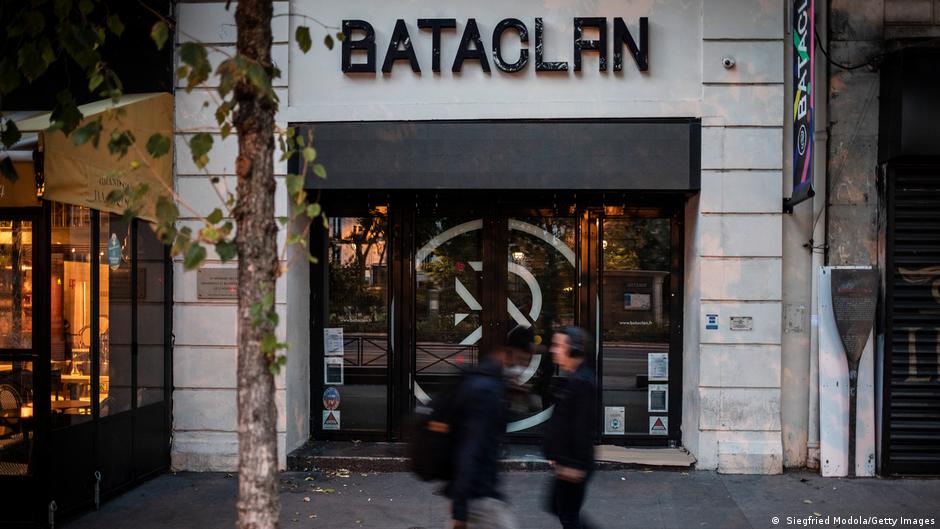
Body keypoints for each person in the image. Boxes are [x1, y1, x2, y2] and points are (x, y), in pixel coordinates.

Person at [445, 325, 533, 529]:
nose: (523, 368)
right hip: (479, 498)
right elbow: (470, 449)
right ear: (509, 353)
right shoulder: (487, 390)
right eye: (522, 361)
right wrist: (460, 508)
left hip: (477, 492)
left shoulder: (490, 381)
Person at [544, 327, 598, 529]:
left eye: (558, 345)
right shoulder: (574, 377)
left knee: (568, 515)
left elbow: (583, 426)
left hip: (574, 461)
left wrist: (575, 464)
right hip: (566, 458)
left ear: (574, 350)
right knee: (556, 506)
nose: (552, 350)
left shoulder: (582, 382)